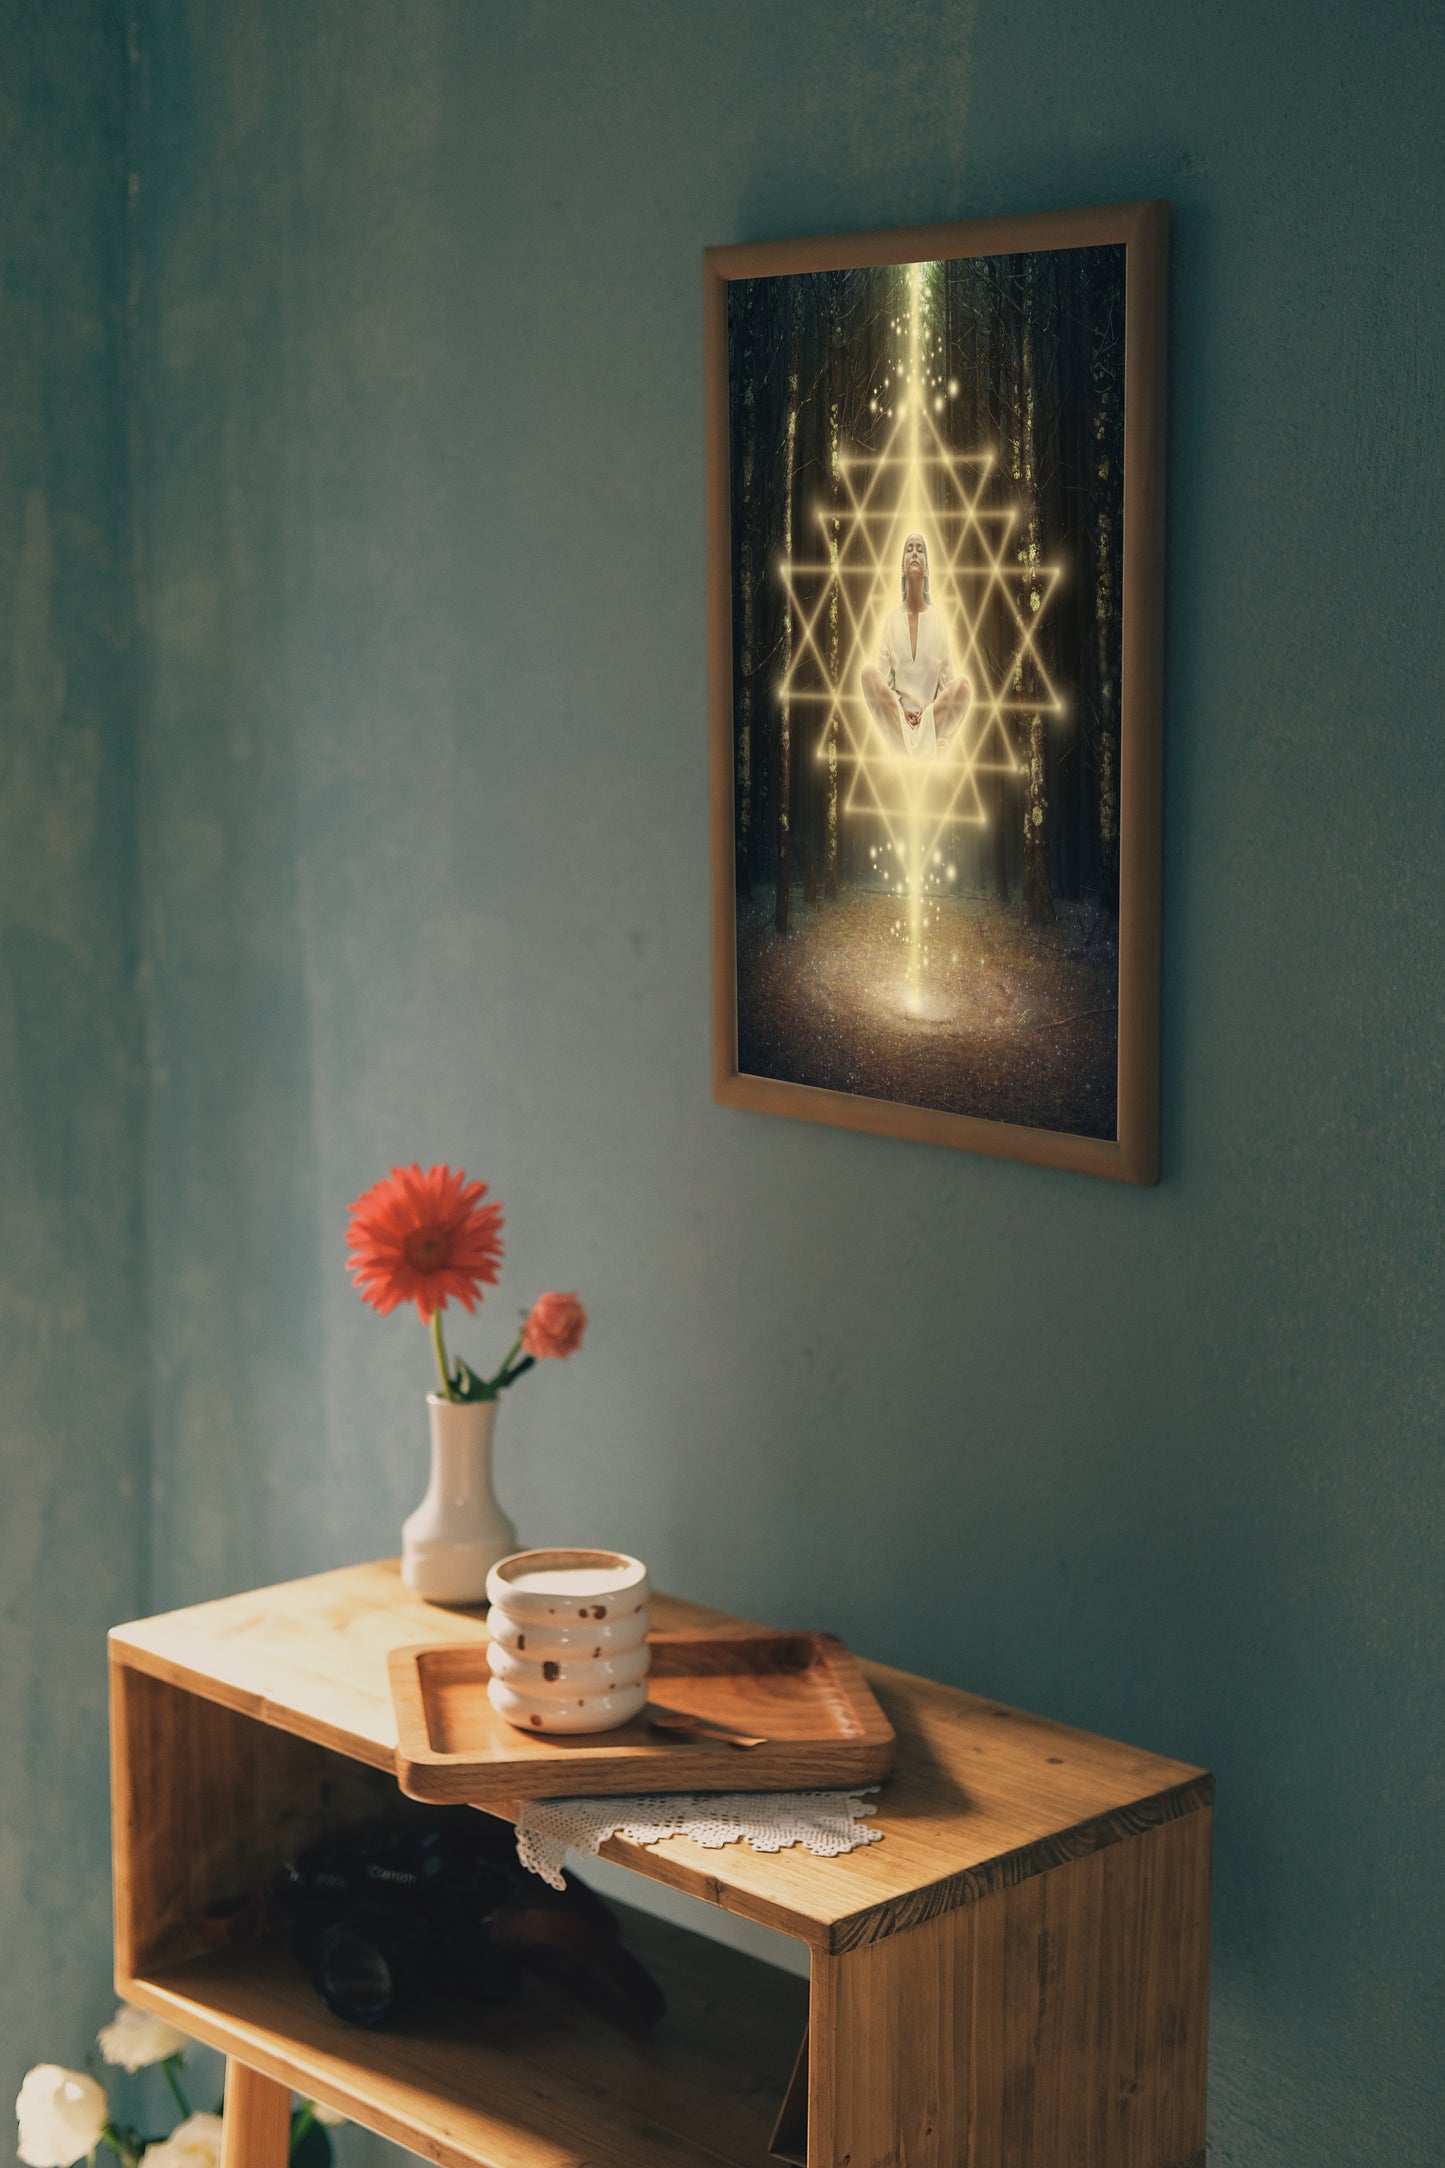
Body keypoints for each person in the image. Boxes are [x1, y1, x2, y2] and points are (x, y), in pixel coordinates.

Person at [861, 532, 973, 758]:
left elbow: (947, 684)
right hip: (898, 721)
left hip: (930, 720)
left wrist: (928, 714)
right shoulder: (891, 620)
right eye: (909, 549)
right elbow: (884, 684)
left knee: (964, 687)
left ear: (927, 569)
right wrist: (901, 710)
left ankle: (918, 748)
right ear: (902, 568)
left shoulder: (938, 620)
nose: (914, 553)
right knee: (867, 673)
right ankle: (914, 750)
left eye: (920, 550)